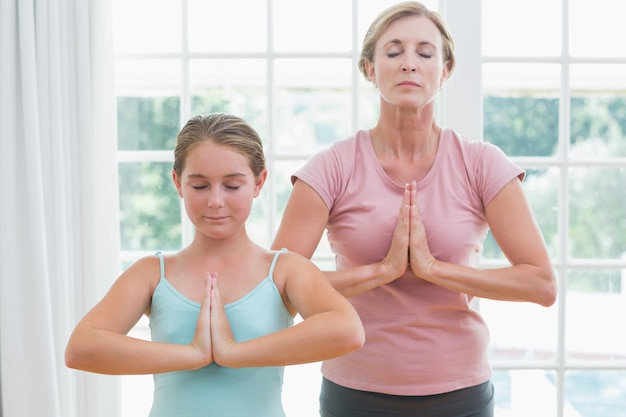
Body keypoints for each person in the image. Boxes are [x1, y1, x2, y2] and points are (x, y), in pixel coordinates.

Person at [271, 2, 557, 416]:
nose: (409, 64)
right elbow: (278, 286)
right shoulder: (332, 166)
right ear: (370, 70)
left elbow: (541, 284)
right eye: (394, 52)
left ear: (444, 71)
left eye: (425, 53)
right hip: (354, 390)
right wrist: (381, 272)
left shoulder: (481, 163)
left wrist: (433, 269)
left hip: (460, 392)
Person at [65, 113, 365, 417]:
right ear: (177, 183)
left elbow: (348, 331)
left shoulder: (285, 270)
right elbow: (81, 348)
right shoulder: (152, 274)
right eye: (199, 186)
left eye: (232, 186)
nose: (215, 201)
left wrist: (233, 352)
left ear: (259, 182)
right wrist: (192, 354)